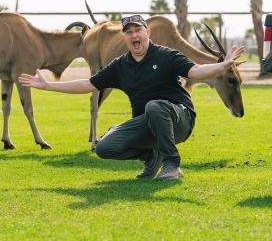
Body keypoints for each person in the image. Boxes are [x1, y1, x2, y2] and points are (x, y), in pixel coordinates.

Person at [19, 15, 244, 180]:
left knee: (155, 107)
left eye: (138, 30)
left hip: (180, 119)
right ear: (125, 37)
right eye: (129, 31)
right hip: (149, 123)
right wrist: (48, 85)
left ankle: (171, 165)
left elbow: (195, 72)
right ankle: (151, 157)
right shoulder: (121, 65)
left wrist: (223, 65)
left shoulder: (167, 56)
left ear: (148, 33)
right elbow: (88, 84)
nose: (134, 35)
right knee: (104, 148)